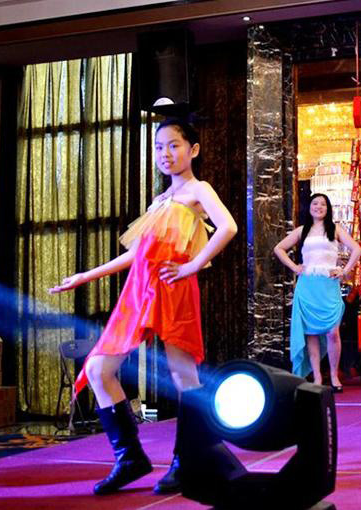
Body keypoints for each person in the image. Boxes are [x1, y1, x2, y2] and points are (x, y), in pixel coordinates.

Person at [49, 118, 238, 495]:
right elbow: (137, 254)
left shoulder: (199, 189)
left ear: (193, 150)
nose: (166, 154)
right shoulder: (159, 201)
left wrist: (191, 267)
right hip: (139, 289)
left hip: (173, 286)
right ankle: (130, 458)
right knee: (99, 368)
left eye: (174, 145)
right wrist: (86, 275)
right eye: (159, 147)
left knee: (184, 377)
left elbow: (228, 227)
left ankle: (187, 460)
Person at [273, 193, 361, 392]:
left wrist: (344, 270)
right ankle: (317, 376)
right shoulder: (301, 230)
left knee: (333, 332)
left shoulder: (335, 229)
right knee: (311, 333)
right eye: (315, 203)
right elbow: (279, 248)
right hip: (307, 286)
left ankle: (334, 376)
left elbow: (357, 249)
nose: (318, 207)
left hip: (328, 285)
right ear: (310, 207)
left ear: (327, 208)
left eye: (323, 204)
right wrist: (295, 267)